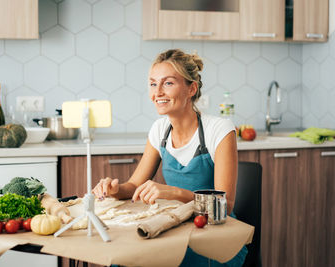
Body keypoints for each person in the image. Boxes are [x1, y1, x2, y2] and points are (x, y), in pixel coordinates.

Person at [93, 49, 247, 266]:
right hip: (178, 226)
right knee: (123, 259)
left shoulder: (219, 130)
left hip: (215, 236)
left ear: (191, 88)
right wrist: (115, 190)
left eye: (168, 83)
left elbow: (225, 205)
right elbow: (134, 185)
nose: (158, 92)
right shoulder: (159, 130)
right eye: (153, 84)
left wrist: (172, 193)